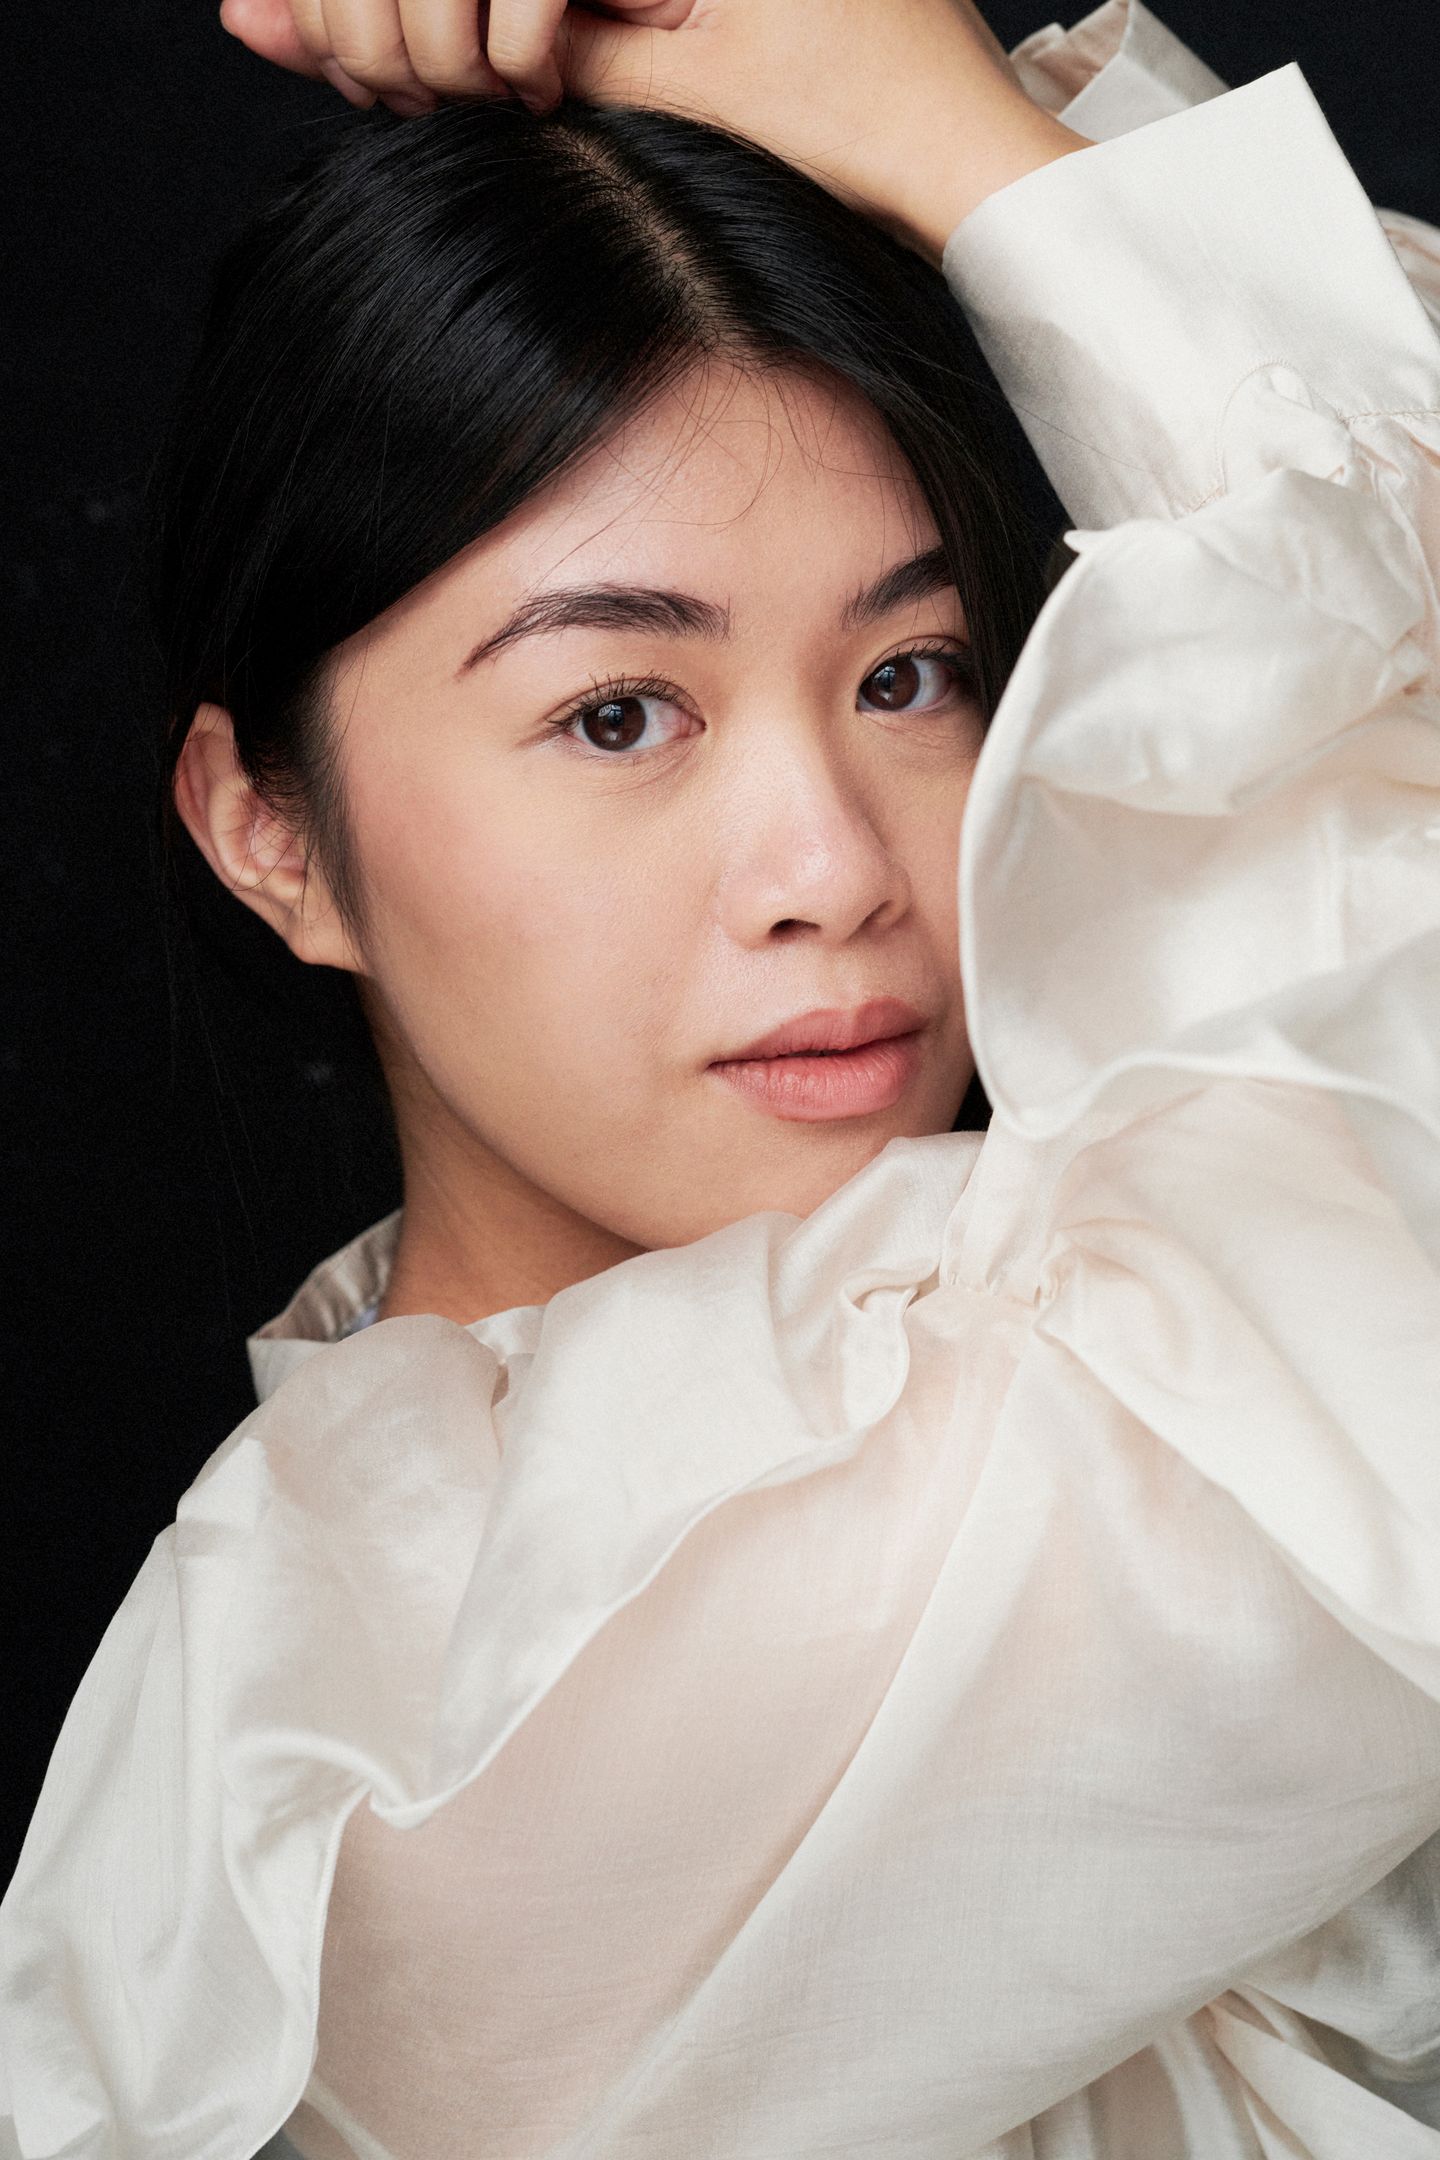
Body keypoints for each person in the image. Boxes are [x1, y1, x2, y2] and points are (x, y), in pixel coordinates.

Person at [4, 1, 1440, 2155]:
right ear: (268, 829)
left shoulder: (1063, 1301)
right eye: (619, 715)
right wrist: (935, 124)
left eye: (909, 675)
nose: (832, 870)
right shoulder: (387, 1730)